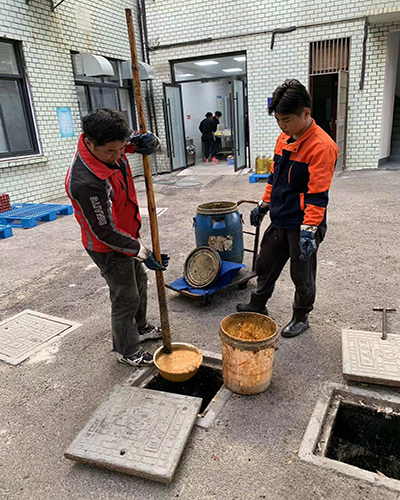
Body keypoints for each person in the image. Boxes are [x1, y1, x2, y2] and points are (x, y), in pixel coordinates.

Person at [65, 109, 169, 367]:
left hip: (128, 235)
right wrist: (143, 252)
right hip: (108, 247)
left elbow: (135, 145)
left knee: (140, 281)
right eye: (111, 152)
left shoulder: (111, 145)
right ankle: (128, 351)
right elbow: (105, 232)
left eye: (121, 149)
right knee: (125, 298)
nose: (118, 156)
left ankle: (140, 328)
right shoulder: (85, 182)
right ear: (90, 143)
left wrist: (148, 142)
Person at [237, 79, 338, 338]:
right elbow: (275, 176)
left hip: (304, 223)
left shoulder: (322, 147)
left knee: (301, 274)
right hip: (280, 217)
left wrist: (309, 231)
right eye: (278, 120)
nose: (282, 126)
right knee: (265, 262)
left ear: (306, 113)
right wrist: (264, 204)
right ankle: (258, 304)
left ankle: (301, 316)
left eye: (287, 120)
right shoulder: (284, 138)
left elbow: (318, 194)